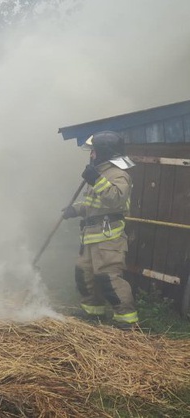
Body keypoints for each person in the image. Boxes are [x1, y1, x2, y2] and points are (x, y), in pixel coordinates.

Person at [61, 130, 138, 329]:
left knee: (108, 278)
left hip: (109, 238)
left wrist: (96, 180)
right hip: (91, 236)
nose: (91, 154)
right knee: (84, 273)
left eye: (94, 151)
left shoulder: (119, 174)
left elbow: (115, 199)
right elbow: (93, 205)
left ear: (104, 151)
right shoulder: (99, 173)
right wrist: (75, 210)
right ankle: (92, 313)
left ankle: (126, 320)